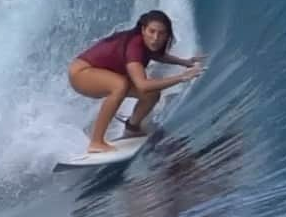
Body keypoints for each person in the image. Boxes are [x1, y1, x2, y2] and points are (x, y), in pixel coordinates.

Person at [68, 10, 205, 153]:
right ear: (143, 29)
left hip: (101, 74)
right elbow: (142, 85)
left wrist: (185, 62)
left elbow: (156, 55)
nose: (155, 38)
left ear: (167, 34)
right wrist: (182, 77)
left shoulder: (146, 44)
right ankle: (96, 142)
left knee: (152, 94)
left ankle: (132, 128)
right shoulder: (134, 45)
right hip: (81, 73)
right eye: (152, 31)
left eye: (161, 33)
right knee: (120, 85)